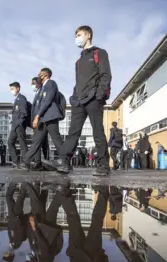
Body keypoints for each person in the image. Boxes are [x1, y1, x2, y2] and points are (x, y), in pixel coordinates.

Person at [44, 25, 112, 176]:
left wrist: (99, 94)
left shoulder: (99, 53)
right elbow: (78, 82)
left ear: (88, 35)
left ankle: (103, 165)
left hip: (94, 98)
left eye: (79, 35)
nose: (76, 38)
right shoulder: (79, 61)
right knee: (72, 132)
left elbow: (105, 75)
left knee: (97, 131)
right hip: (79, 101)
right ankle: (65, 162)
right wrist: (74, 96)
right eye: (75, 36)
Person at [19, 68, 64, 171]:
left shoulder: (51, 83)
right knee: (36, 141)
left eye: (40, 74)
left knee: (57, 140)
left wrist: (37, 116)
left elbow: (47, 100)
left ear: (46, 75)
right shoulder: (42, 88)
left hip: (50, 117)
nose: (38, 76)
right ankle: (26, 162)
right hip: (43, 119)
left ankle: (65, 163)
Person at [3, 182, 28, 262]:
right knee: (20, 198)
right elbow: (20, 231)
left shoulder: (11, 244)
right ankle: (25, 183)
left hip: (11, 216)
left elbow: (11, 229)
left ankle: (13, 183)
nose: (4, 253)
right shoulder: (16, 245)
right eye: (5, 255)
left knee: (8, 197)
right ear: (11, 255)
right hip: (17, 216)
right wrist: (17, 220)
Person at [28, 76, 50, 169]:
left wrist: (37, 119)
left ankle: (41, 162)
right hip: (37, 123)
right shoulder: (37, 94)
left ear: (38, 83)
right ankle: (39, 163)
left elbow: (42, 107)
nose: (32, 85)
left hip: (41, 121)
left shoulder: (42, 92)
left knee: (41, 143)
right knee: (40, 142)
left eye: (33, 83)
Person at [7, 82, 29, 167]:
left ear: (18, 88)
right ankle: (15, 162)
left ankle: (26, 163)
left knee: (22, 143)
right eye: (10, 89)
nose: (11, 91)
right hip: (14, 125)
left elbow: (24, 112)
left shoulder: (22, 98)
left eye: (12, 89)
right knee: (10, 142)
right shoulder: (16, 99)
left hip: (19, 125)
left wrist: (19, 122)